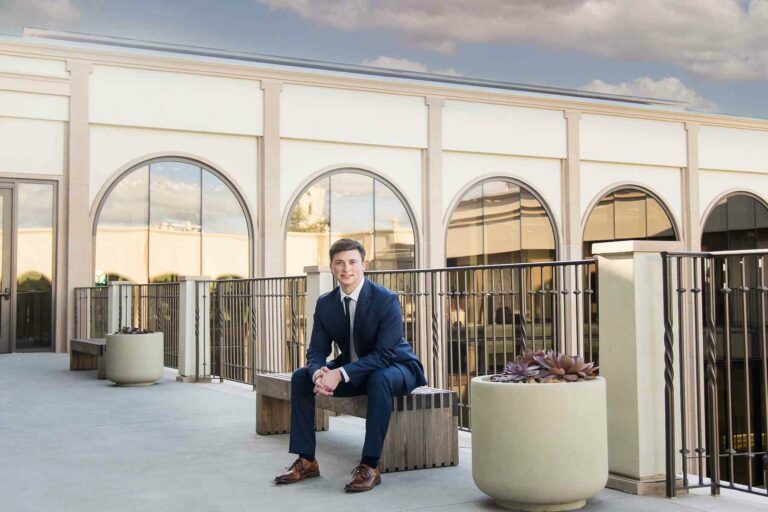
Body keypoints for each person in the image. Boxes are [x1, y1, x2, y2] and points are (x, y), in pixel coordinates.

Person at [274, 238, 427, 492]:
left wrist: (341, 373)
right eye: (340, 263)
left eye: (352, 262)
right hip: (357, 371)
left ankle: (369, 466)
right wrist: (318, 373)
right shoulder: (326, 303)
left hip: (396, 367)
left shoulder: (385, 299)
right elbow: (316, 350)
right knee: (301, 377)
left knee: (380, 378)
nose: (347, 269)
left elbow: (385, 354)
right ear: (332, 267)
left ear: (363, 265)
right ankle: (306, 460)